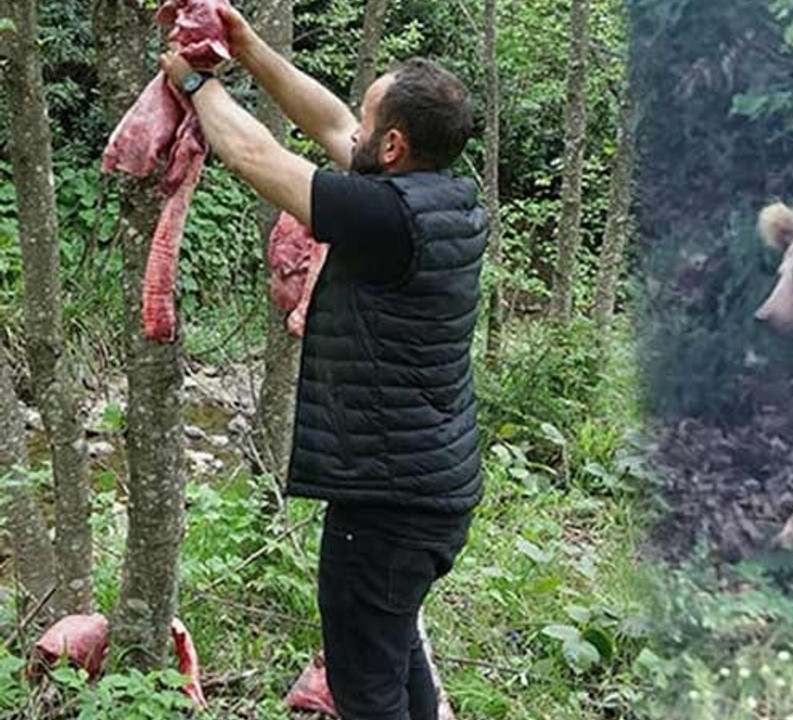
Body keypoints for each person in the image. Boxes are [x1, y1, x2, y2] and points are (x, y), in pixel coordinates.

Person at [159, 6, 487, 719]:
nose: (355, 131)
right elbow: (335, 125)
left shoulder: (386, 218)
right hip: (431, 490)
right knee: (394, 655)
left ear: (395, 146)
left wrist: (194, 86)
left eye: (373, 125)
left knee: (366, 689)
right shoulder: (446, 199)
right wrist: (247, 50)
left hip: (387, 506)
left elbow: (257, 159)